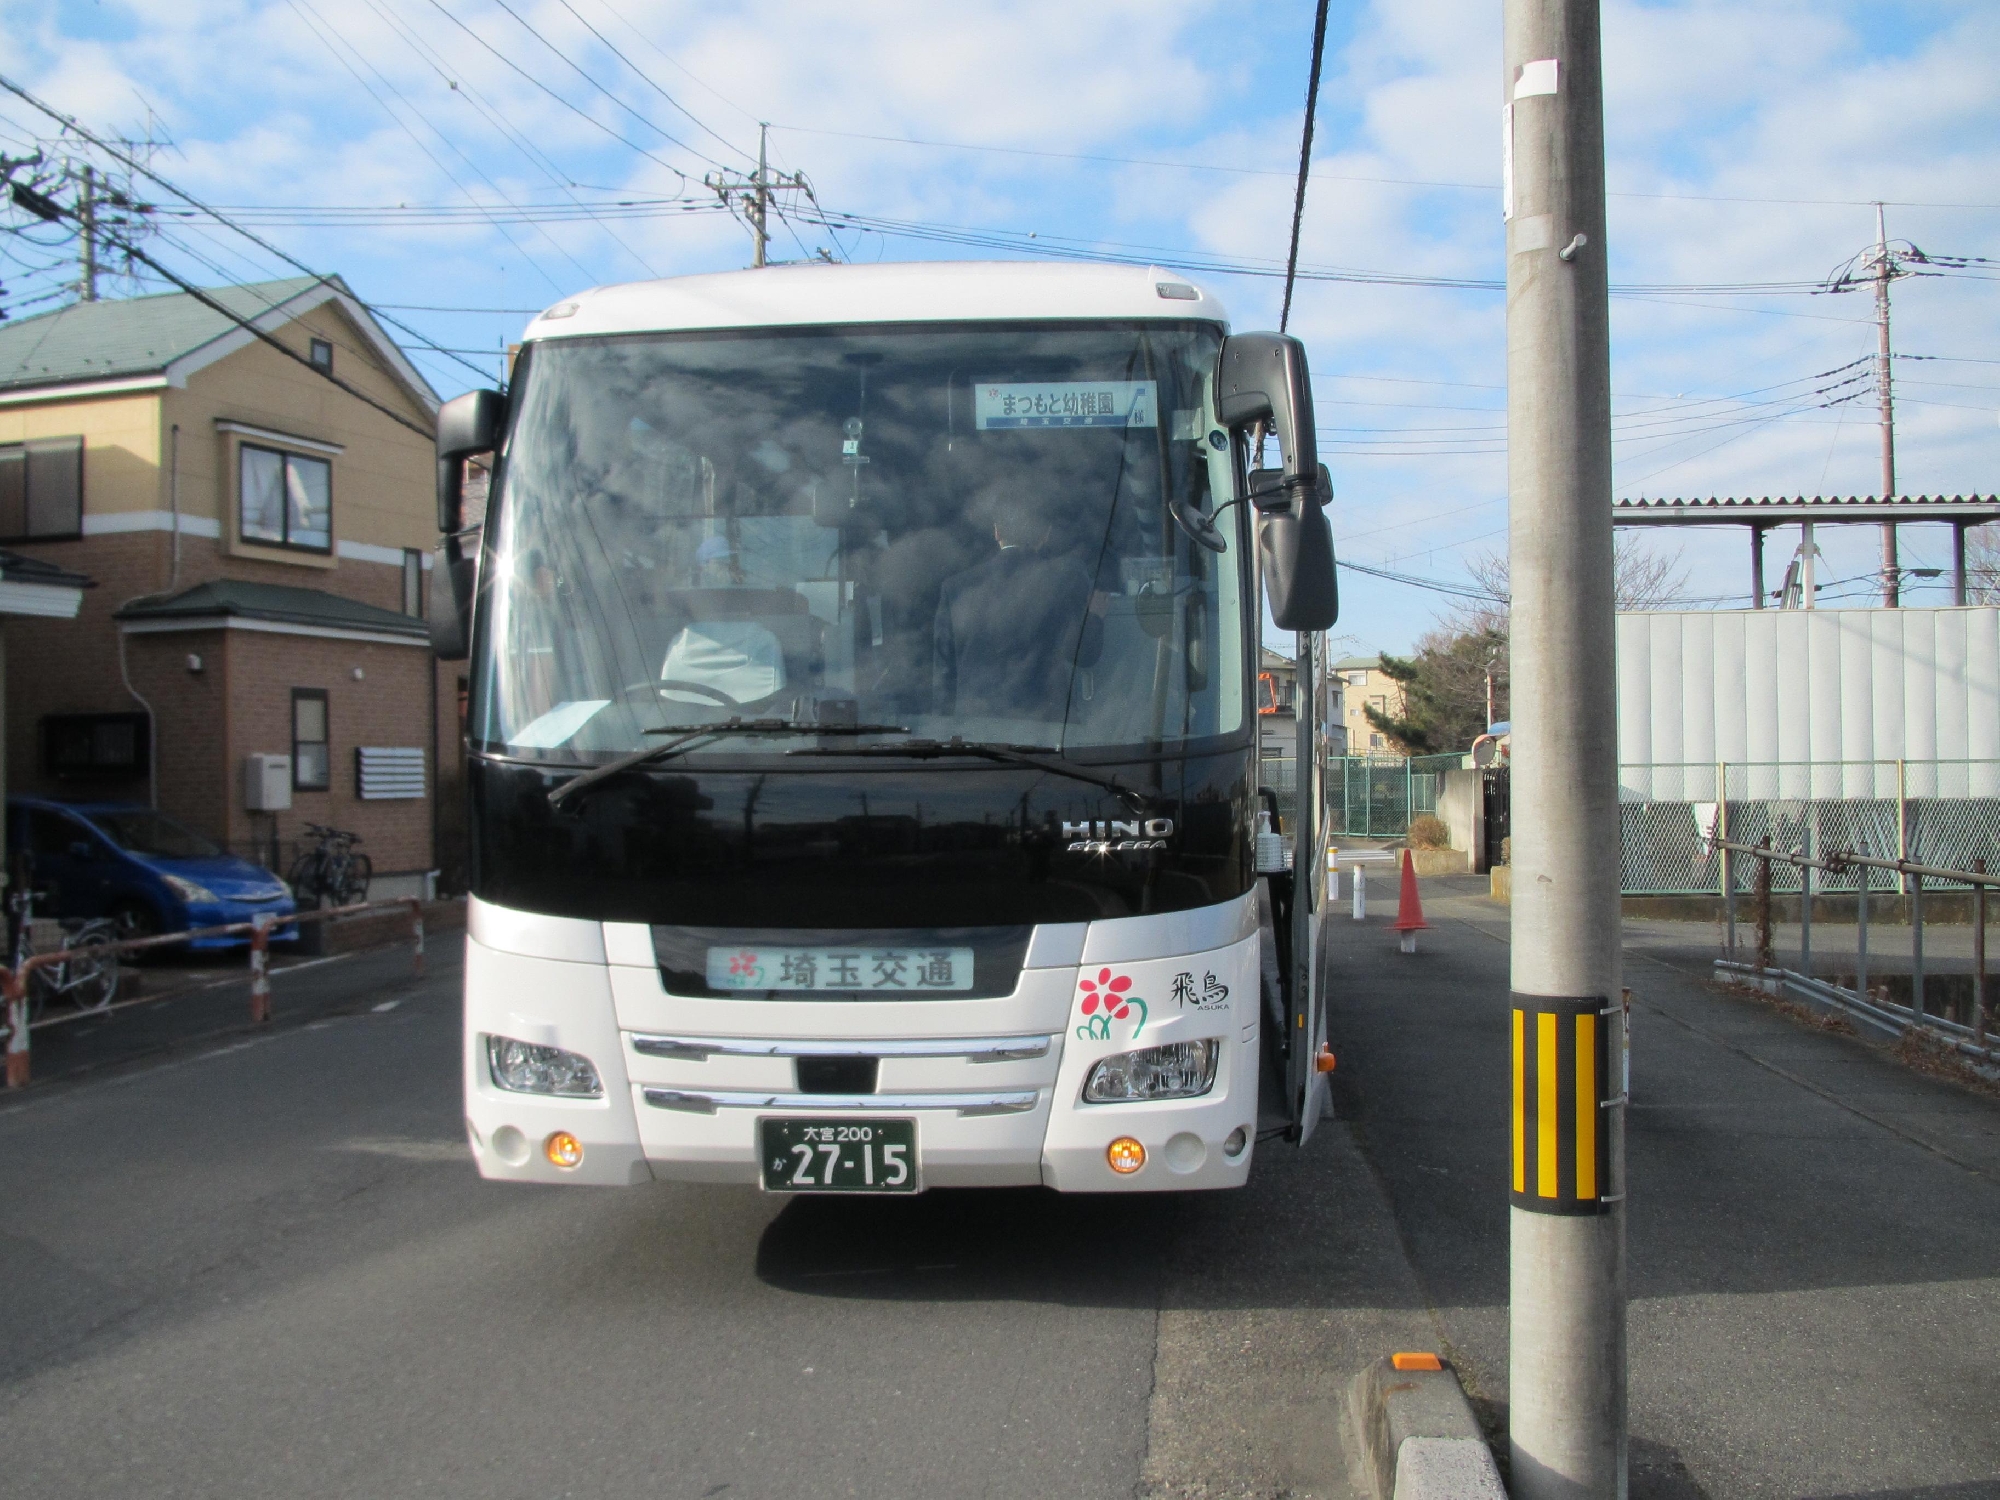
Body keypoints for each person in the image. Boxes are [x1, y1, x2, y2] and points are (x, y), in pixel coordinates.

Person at [932, 498, 1102, 721]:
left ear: (997, 532)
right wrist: (1096, 616)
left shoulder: (955, 588)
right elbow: (1084, 653)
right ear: (1045, 535)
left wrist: (944, 734)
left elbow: (944, 677)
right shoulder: (1065, 579)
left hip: (974, 734)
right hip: (1046, 735)